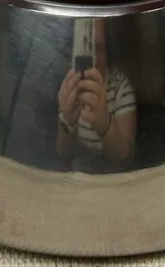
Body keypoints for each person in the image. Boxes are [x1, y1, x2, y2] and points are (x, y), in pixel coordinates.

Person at [56, 19, 136, 170]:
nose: (91, 58)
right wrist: (68, 121)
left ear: (107, 52)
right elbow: (63, 153)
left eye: (97, 48)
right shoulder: (69, 85)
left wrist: (104, 124)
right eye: (83, 47)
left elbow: (124, 160)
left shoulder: (120, 86)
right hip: (77, 175)